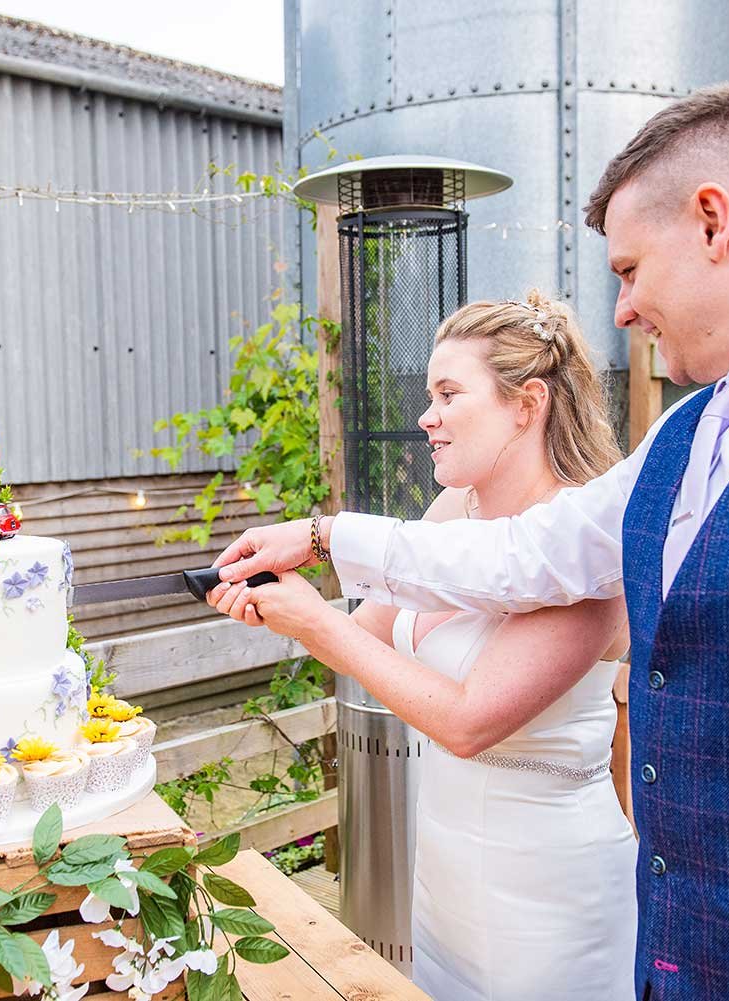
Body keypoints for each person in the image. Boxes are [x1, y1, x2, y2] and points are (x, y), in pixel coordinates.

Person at [209, 83, 729, 1001]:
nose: (620, 310)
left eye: (632, 269)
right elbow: (517, 557)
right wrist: (326, 534)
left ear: (714, 223)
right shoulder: (683, 440)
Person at [227, 292, 637, 999]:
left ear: (526, 403)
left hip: (547, 888)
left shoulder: (582, 549)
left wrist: (315, 623)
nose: (426, 416)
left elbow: (469, 720)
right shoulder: (454, 511)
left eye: (449, 393)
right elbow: (363, 637)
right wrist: (277, 603)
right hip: (444, 869)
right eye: (428, 394)